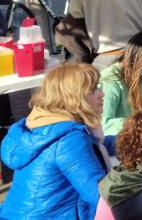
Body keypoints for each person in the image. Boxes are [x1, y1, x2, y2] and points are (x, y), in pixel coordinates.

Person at [0, 63, 111, 219]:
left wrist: (123, 141)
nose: (102, 93)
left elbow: (88, 147)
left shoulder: (40, 123)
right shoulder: (69, 139)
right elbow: (102, 197)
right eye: (93, 90)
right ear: (74, 97)